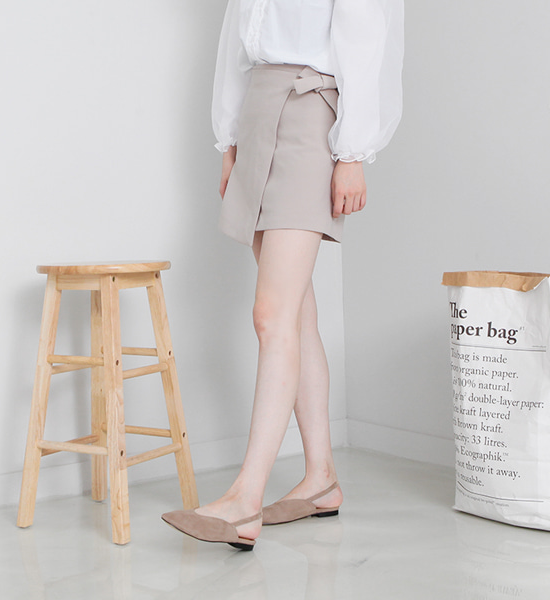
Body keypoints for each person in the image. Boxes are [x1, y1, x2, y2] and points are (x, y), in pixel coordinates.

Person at [162, 0, 404, 550]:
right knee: (295, 314)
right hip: (258, 115)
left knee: (271, 315)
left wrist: (353, 152)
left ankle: (245, 497)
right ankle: (321, 479)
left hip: (311, 114)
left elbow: (367, 41)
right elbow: (236, 47)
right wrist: (230, 142)